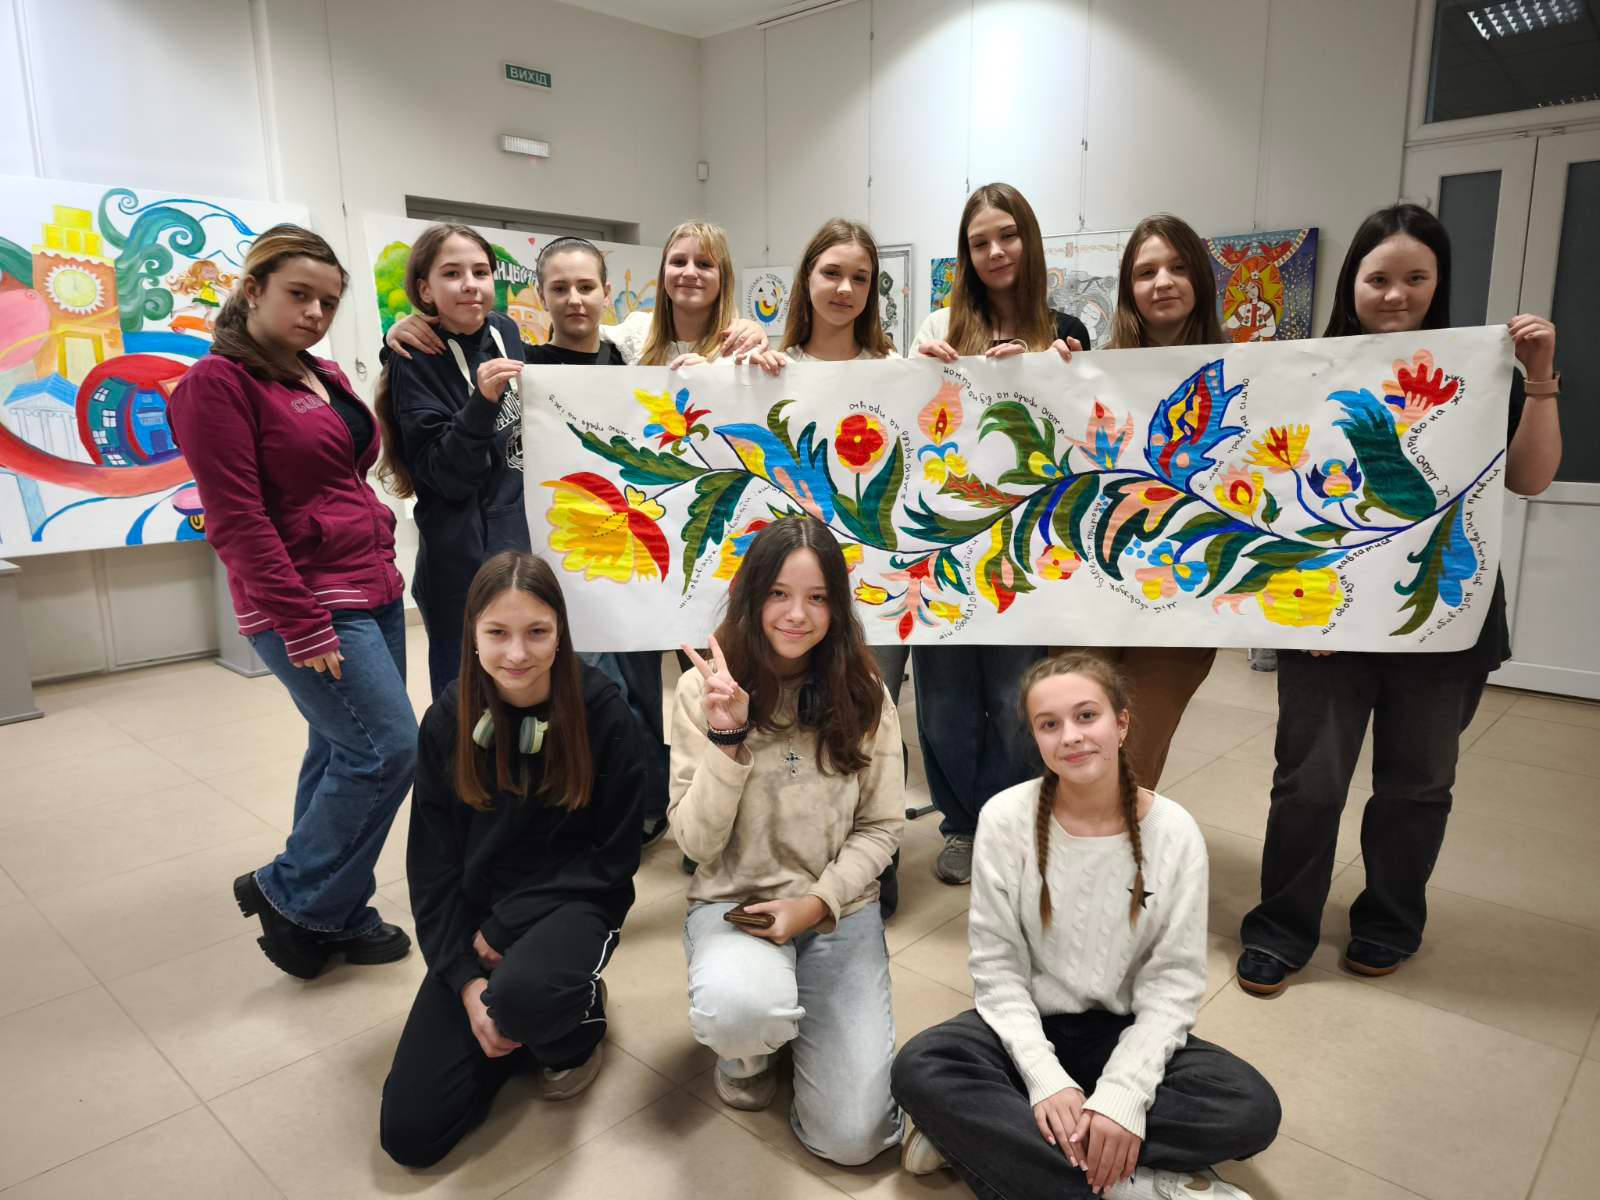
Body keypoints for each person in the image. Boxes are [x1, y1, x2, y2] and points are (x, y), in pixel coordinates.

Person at [1237, 204, 1563, 995]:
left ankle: (1389, 921)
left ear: (1439, 284)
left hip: (1442, 613)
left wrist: (1541, 378)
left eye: (1416, 278)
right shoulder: (1304, 371)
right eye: (1378, 278)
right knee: (1308, 781)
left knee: (1417, 784)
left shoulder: (1477, 370)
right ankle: (1282, 926)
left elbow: (1530, 479)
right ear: (1351, 283)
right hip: (1327, 611)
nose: (1395, 294)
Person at [892, 653, 1279, 1199]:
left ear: (1121, 723)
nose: (1071, 736)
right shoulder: (1005, 818)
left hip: (1122, 1028)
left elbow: (1172, 986)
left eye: (1087, 716)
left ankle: (978, 1139)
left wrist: (1124, 1095)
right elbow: (998, 973)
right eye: (1049, 724)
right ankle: (1128, 1185)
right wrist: (1045, 1079)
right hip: (1028, 1024)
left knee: (1249, 1108)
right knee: (921, 1067)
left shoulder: (1175, 832)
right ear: (1035, 738)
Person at [167, 224, 414, 980]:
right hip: (309, 600)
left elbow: (343, 476)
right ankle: (291, 892)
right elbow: (237, 520)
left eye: (328, 302)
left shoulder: (320, 374)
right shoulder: (218, 385)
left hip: (369, 583)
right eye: (298, 294)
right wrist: (301, 624)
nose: (314, 312)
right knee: (386, 749)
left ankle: (335, 910)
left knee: (341, 747)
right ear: (253, 290)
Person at [380, 551, 645, 1168]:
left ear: (561, 633)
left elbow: (614, 856)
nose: (517, 654)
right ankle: (516, 1020)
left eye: (537, 632)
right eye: (498, 633)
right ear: (472, 635)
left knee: (526, 995)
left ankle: (576, 1026)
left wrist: (506, 928)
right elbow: (432, 869)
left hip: (576, 903)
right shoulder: (448, 719)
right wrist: (467, 985)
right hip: (478, 928)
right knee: (411, 1135)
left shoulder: (602, 711)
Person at [669, 517, 904, 1165]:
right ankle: (750, 1052)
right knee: (740, 1008)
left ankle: (800, 1019)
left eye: (817, 597)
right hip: (735, 903)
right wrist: (727, 741)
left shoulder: (865, 691)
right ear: (751, 595)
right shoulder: (701, 689)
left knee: (855, 1139)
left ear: (838, 606)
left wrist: (817, 903)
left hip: (836, 911)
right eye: (778, 593)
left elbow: (882, 826)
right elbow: (695, 843)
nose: (797, 614)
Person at [910, 182, 1090, 887]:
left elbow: (1084, 429)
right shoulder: (940, 325)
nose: (995, 251)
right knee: (944, 705)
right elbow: (913, 421)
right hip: (944, 545)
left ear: (1029, 240)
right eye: (979, 241)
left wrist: (1057, 365)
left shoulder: (1066, 329)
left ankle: (1014, 822)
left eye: (1007, 236)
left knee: (1020, 698)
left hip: (1026, 552)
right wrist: (922, 368)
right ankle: (961, 823)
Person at [1072, 214, 1229, 791]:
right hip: (1091, 589)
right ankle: (1068, 842)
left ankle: (1120, 845)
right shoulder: (1090, 372)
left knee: (1137, 750)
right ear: (1128, 288)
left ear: (1200, 279)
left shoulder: (1244, 375)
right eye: (1146, 272)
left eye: (1178, 267)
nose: (1163, 282)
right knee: (1075, 739)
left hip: (1181, 597)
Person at [373, 224, 529, 699]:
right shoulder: (415, 356)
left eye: (480, 272)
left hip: (517, 546)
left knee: (522, 690)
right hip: (462, 565)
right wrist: (481, 402)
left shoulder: (504, 330)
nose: (470, 285)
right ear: (425, 290)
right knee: (465, 699)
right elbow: (445, 475)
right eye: (452, 273)